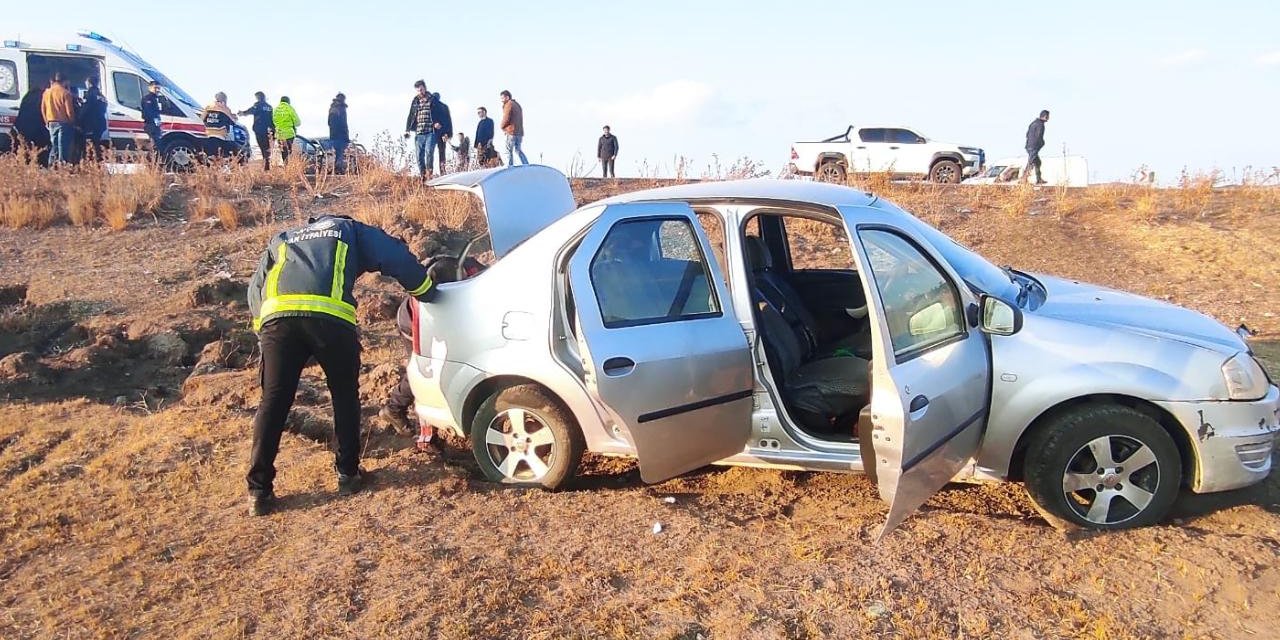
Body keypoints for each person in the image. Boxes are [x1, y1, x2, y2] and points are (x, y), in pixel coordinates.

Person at [245, 214, 446, 516]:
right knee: (343, 395)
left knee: (273, 400)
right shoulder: (349, 229)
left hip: (277, 321)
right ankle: (348, 474)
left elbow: (256, 286)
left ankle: (258, 492)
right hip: (330, 320)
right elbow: (393, 255)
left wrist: (265, 331)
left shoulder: (285, 236)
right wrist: (426, 291)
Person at [403, 80, 438, 179]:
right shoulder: (415, 101)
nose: (420, 92)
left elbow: (439, 113)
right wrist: (407, 129)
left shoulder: (433, 99)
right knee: (419, 156)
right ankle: (423, 176)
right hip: (419, 132)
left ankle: (429, 175)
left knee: (429, 152)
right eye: (418, 90)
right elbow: (411, 115)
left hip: (431, 131)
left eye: (421, 89)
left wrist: (438, 123)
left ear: (425, 88)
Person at [40, 73, 77, 166]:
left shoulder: (46, 92)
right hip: (64, 123)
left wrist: (46, 122)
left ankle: (51, 165)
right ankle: (62, 167)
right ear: (65, 81)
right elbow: (69, 111)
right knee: (63, 147)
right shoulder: (65, 93)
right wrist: (72, 122)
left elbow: (43, 109)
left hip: (51, 122)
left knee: (54, 146)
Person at [13, 87, 50, 166]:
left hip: (23, 129)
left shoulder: (28, 98)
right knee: (41, 153)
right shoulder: (42, 99)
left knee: (24, 149)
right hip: (38, 131)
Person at [77, 76, 110, 163]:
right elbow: (100, 107)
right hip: (100, 122)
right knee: (96, 143)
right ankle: (97, 162)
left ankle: (91, 163)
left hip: (91, 124)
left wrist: (78, 121)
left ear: (89, 83)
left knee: (90, 145)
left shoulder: (91, 93)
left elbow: (87, 109)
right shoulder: (100, 94)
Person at [239, 91, 275, 170]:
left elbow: (250, 111)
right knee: (268, 148)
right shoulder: (269, 107)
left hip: (260, 130)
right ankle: (267, 164)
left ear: (258, 97)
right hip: (269, 130)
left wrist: (242, 113)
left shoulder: (257, 105)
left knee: (263, 147)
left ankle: (266, 165)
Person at [202, 91, 239, 158]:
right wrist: (235, 117)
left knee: (211, 156)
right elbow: (233, 121)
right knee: (223, 155)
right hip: (220, 136)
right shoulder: (225, 108)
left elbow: (202, 118)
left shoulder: (209, 106)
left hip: (209, 134)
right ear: (224, 99)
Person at [499, 90, 527, 166]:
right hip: (519, 132)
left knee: (508, 150)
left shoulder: (508, 104)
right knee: (518, 150)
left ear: (507, 97)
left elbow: (506, 118)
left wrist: (502, 126)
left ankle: (510, 167)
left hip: (511, 131)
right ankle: (526, 164)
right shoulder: (517, 105)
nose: (501, 100)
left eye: (502, 98)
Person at [273, 96, 301, 166]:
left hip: (279, 134)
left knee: (283, 152)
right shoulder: (289, 108)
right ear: (288, 102)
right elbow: (297, 122)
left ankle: (286, 167)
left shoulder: (275, 109)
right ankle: (290, 169)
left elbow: (272, 121)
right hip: (289, 134)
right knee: (289, 152)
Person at [140, 80, 167, 153]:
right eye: (155, 88)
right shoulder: (148, 98)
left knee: (158, 144)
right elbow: (148, 112)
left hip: (156, 125)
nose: (157, 90)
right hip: (150, 124)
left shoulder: (157, 98)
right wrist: (154, 120)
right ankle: (151, 161)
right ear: (150, 88)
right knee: (155, 144)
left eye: (159, 88)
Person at [1024, 109, 1049, 185]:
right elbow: (1039, 137)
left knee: (1037, 162)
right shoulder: (1040, 125)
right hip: (1034, 146)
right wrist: (1042, 143)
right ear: (1045, 116)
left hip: (1029, 145)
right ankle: (1023, 178)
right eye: (1048, 116)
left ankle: (1039, 179)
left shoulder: (1033, 123)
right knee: (1031, 162)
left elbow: (1027, 134)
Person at [431, 92, 452, 174]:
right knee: (437, 153)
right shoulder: (431, 107)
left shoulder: (443, 107)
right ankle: (440, 171)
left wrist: (447, 134)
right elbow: (448, 122)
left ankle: (439, 171)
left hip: (439, 133)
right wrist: (447, 133)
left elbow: (448, 122)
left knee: (438, 153)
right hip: (435, 133)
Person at [328, 93, 350, 174]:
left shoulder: (332, 108)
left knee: (335, 152)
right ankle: (338, 169)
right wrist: (346, 135)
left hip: (333, 134)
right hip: (341, 135)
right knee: (340, 152)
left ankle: (334, 168)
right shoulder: (341, 108)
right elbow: (343, 123)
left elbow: (330, 122)